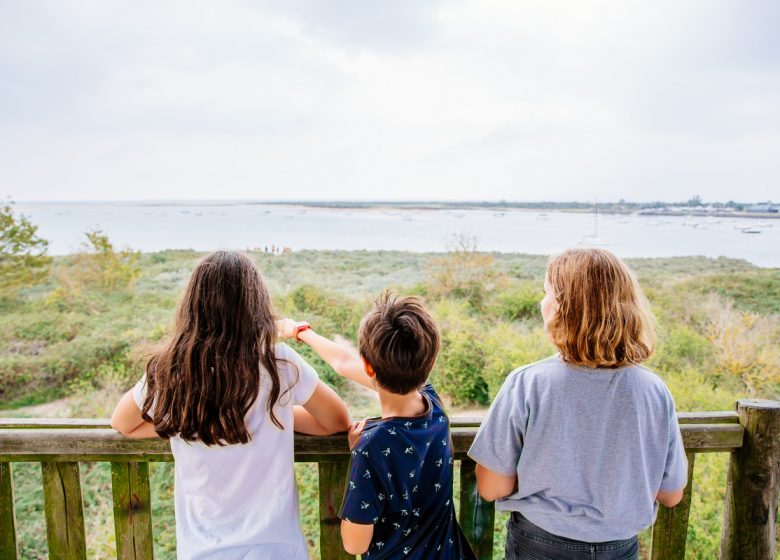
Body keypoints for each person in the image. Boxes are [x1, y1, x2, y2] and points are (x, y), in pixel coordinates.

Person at [110, 251, 351, 560]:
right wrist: (268, 412)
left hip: (202, 549)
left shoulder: (170, 367)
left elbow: (123, 423)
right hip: (275, 548)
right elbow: (336, 420)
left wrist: (194, 419)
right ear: (255, 304)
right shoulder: (278, 361)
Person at [469, 248, 688, 560]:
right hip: (621, 548)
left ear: (564, 309)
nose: (541, 303)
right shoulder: (653, 390)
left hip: (539, 545)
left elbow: (491, 488)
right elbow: (671, 494)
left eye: (547, 294)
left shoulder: (529, 383)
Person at [281, 293, 476, 559]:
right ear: (429, 362)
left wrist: (357, 456)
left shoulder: (371, 448)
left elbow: (355, 544)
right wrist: (301, 332)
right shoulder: (435, 407)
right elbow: (344, 363)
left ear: (369, 368)